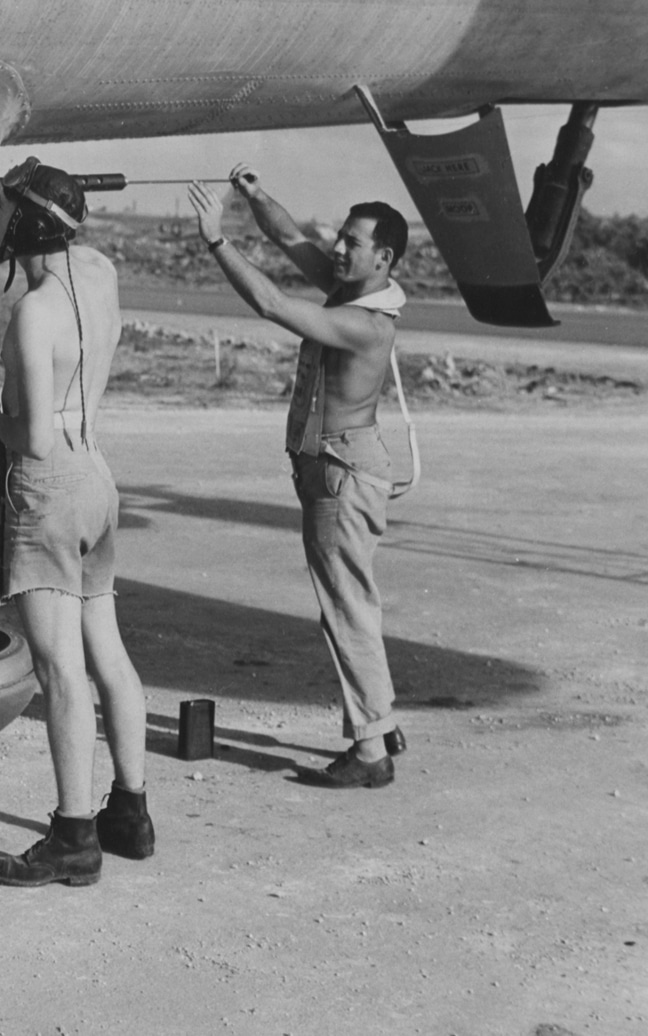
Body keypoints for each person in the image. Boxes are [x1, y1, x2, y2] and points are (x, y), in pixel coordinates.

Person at [0, 159, 154, 887]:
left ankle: (74, 835)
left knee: (59, 670)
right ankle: (129, 810)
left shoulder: (33, 314)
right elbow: (29, 233)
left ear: (29, 224)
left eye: (7, 209)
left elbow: (31, 437)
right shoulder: (96, 271)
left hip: (48, 486)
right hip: (98, 477)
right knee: (109, 651)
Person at [188, 164, 410, 790]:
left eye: (353, 243)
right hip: (330, 470)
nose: (338, 248)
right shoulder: (351, 289)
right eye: (341, 236)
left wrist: (216, 239)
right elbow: (290, 241)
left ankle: (370, 752)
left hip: (342, 475)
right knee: (349, 603)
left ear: (384, 257)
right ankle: (378, 718)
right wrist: (257, 198)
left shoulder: (364, 323)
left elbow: (271, 302)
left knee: (346, 609)